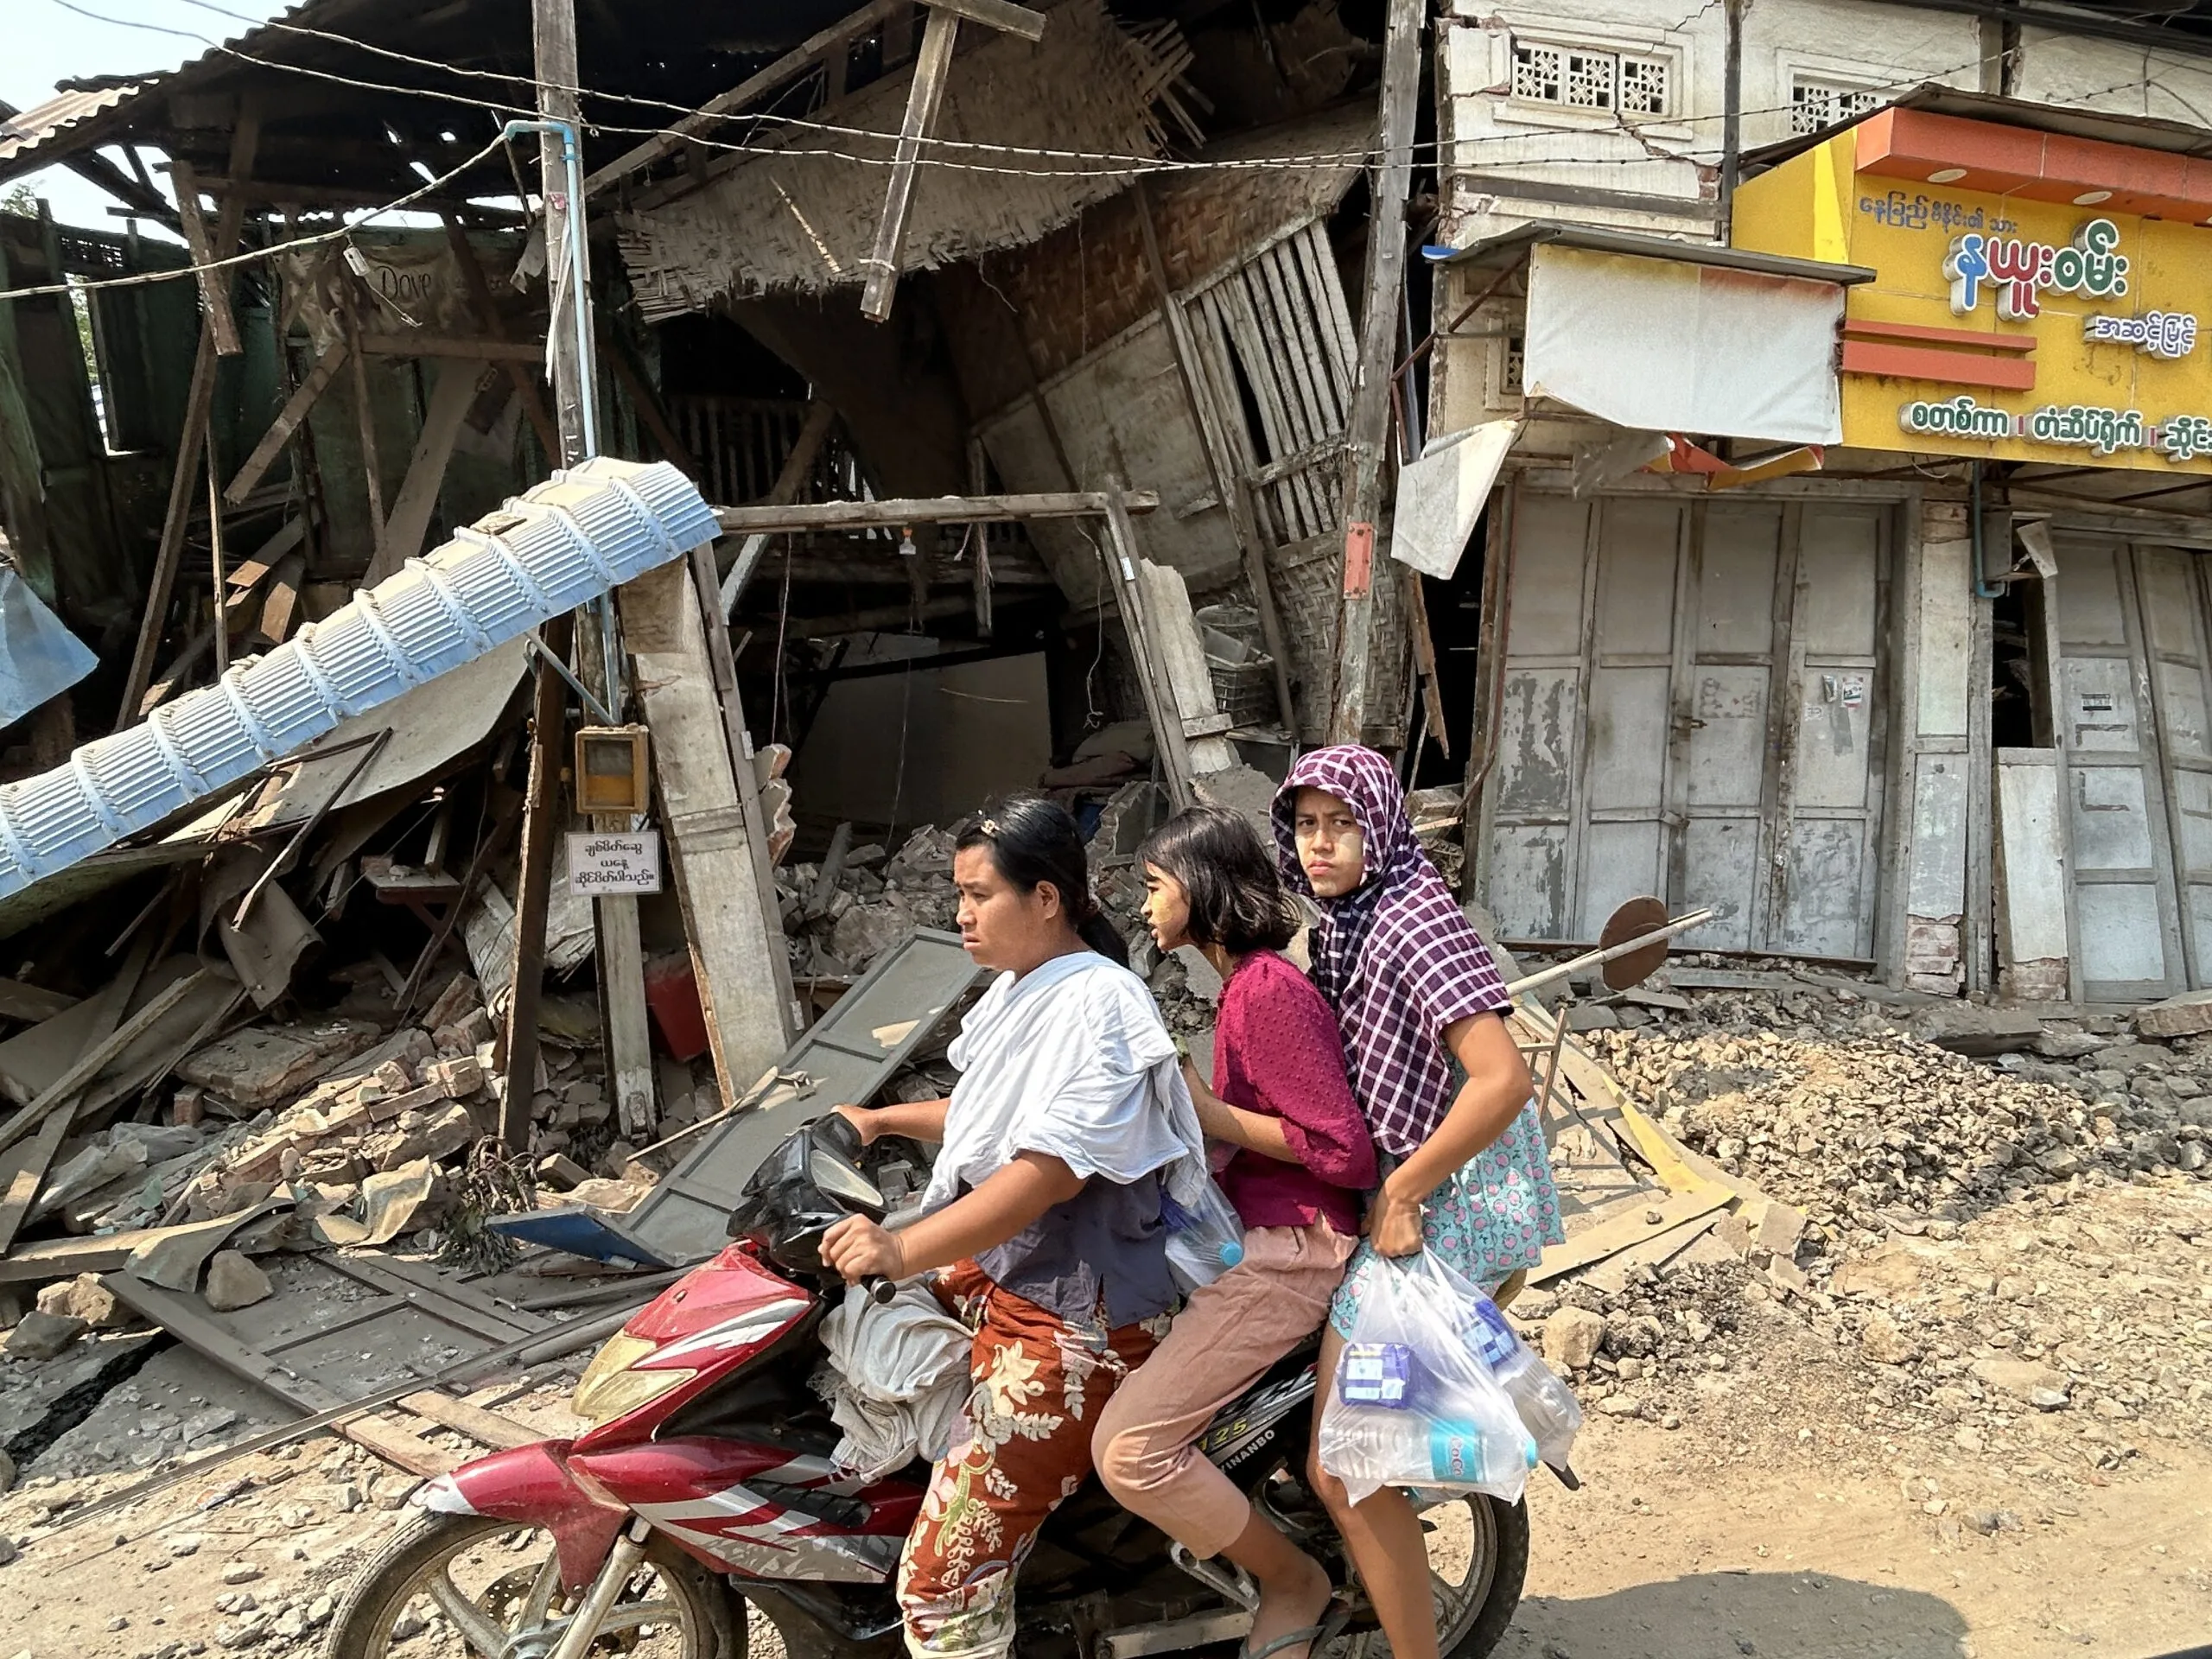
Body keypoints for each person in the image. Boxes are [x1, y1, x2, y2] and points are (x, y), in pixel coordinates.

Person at [822, 797, 1207, 1659]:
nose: (961, 913)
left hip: (1076, 1325)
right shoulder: (1026, 991)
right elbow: (989, 1114)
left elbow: (1047, 1171)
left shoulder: (1101, 1008)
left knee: (936, 1582)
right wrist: (882, 1121)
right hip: (1013, 1275)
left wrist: (900, 1246)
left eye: (979, 894)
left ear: (1045, 899)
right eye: (957, 894)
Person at [1273, 745, 1564, 1659]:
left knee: (1344, 1466)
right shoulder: (1346, 921)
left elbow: (1500, 1080)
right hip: (1415, 1194)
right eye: (1305, 824)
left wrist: (1401, 1191)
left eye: (1341, 824)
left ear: (1382, 828)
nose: (1319, 845)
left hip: (1448, 1210)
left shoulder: (1412, 920)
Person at [1090, 806, 1376, 1659]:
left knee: (1131, 1451)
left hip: (1296, 1252)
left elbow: (1341, 1150)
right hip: (1257, 1238)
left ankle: (1294, 1581)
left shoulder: (1264, 991)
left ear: (1202, 888)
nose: (1145, 907)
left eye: (1154, 887)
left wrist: (1211, 1114)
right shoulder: (1241, 988)